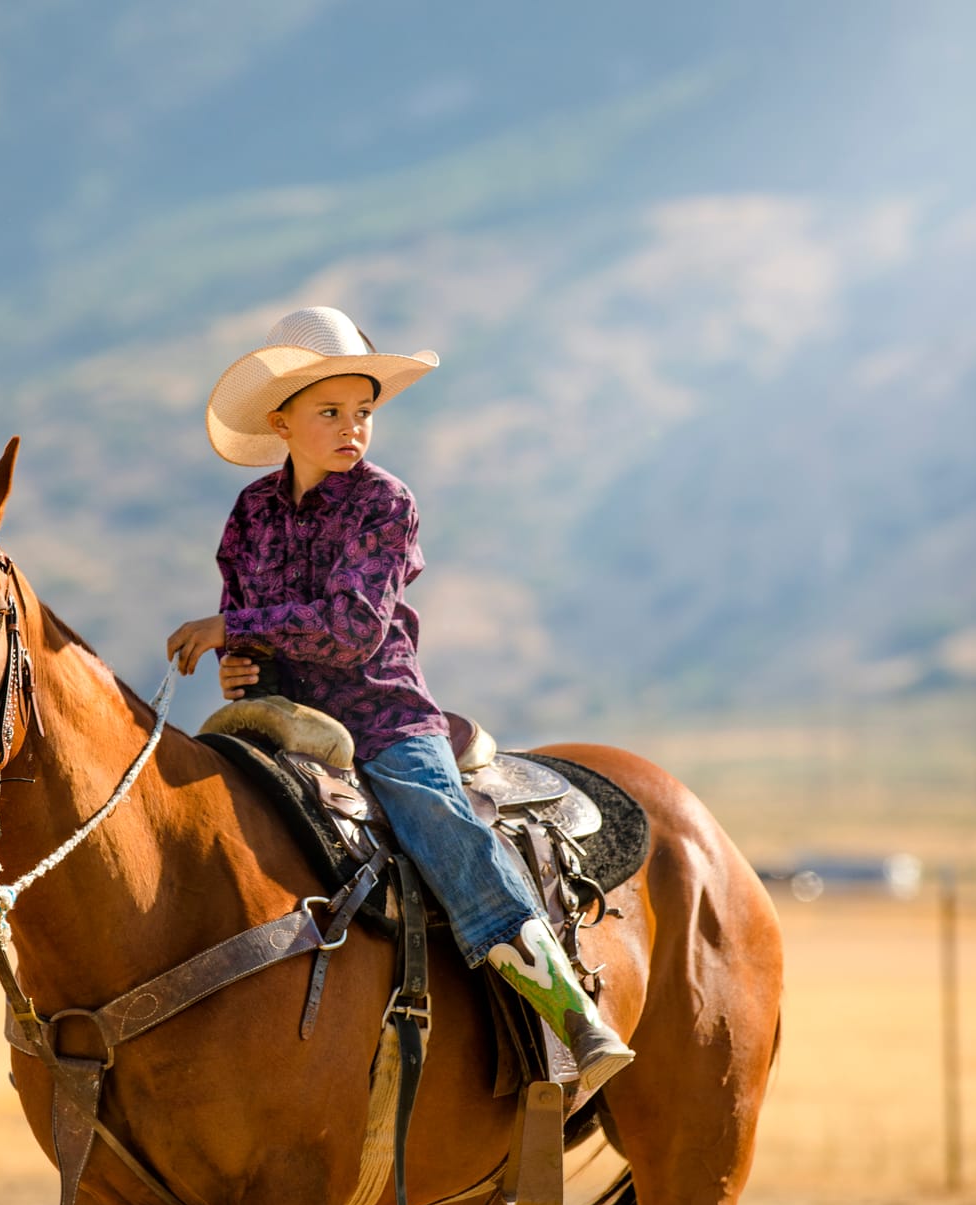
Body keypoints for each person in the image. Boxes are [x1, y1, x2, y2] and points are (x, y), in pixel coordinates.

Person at [166, 307, 634, 1093]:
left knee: (435, 815)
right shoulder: (250, 514)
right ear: (281, 422)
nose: (353, 428)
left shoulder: (386, 502)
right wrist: (238, 664)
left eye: (364, 412)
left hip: (381, 715)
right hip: (282, 723)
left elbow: (353, 628)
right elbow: (243, 624)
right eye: (331, 412)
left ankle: (561, 995)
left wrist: (230, 627)